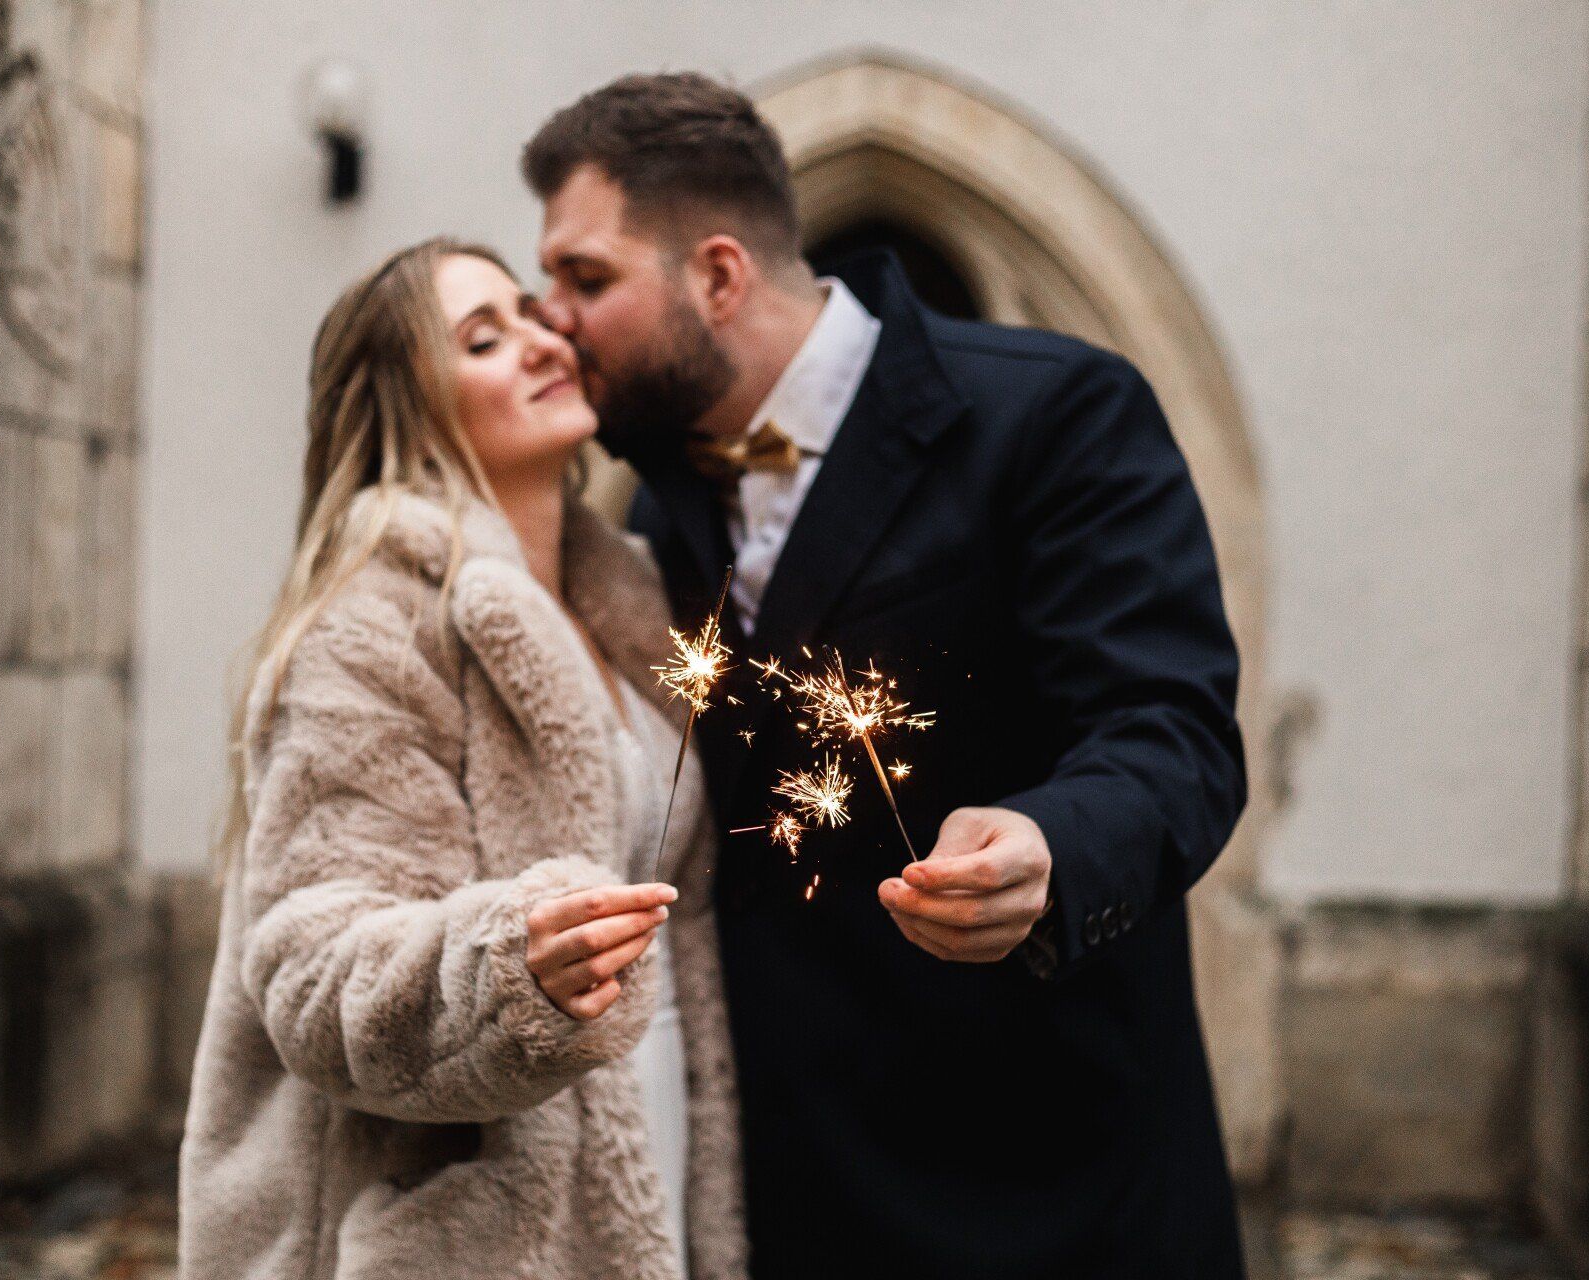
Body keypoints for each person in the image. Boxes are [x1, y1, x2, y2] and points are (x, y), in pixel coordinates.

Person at [524, 74, 1249, 1279]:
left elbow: (1172, 730)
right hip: (797, 1185)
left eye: (584, 279)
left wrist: (1050, 844)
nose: (555, 321)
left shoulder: (1057, 412)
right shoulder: (662, 493)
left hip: (1044, 1176)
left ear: (716, 274)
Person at [177, 237, 746, 1280]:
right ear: (409, 404)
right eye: (484, 337)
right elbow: (309, 963)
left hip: (647, 1136)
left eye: (532, 316)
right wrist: (505, 967)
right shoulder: (371, 623)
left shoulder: (628, 604)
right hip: (463, 1224)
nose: (539, 342)